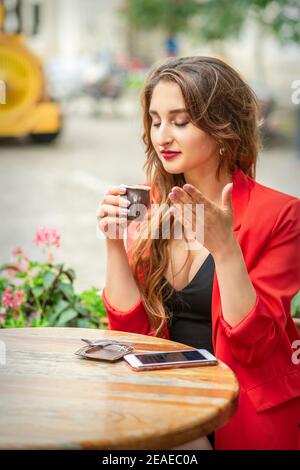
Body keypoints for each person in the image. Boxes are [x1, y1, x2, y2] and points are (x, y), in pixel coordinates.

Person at [96, 56, 300, 450]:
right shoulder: (149, 205)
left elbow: (255, 345)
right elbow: (131, 334)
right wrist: (113, 240)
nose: (162, 137)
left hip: (241, 413)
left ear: (223, 126)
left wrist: (225, 250)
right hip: (167, 401)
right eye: (155, 121)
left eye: (180, 121)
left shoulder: (282, 216)